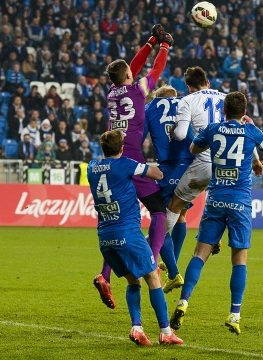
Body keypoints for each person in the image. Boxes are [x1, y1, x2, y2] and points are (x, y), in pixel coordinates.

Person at [169, 92, 263, 335]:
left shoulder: (214, 128)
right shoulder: (250, 130)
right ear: (244, 110)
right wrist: (252, 127)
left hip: (215, 199)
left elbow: (194, 147)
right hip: (240, 202)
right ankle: (234, 314)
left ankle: (183, 302)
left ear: (224, 111)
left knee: (199, 256)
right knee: (239, 260)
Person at [92, 24, 174, 309]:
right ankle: (151, 259)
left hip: (111, 159)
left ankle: (105, 275)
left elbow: (132, 68)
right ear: (128, 76)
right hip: (132, 161)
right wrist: (164, 47)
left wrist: (152, 41)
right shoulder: (139, 91)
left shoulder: (112, 92)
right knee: (158, 211)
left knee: (120, 222)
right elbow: (155, 72)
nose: (134, 71)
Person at [87, 130, 183, 346]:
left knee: (133, 280)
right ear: (122, 148)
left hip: (105, 236)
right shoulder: (126, 164)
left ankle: (137, 327)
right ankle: (166, 332)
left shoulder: (92, 168)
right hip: (128, 233)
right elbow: (157, 175)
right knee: (153, 278)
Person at [165, 66, 263, 239]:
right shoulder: (227, 99)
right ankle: (214, 240)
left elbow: (180, 135)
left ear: (188, 87)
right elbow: (243, 131)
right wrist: (256, 160)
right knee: (219, 205)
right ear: (208, 83)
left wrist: (174, 130)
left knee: (175, 206)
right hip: (229, 166)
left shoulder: (187, 100)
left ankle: (150, 246)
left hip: (204, 164)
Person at [143, 85, 191, 294]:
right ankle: (173, 263)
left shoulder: (151, 107)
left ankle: (173, 272)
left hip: (168, 169)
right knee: (180, 216)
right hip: (189, 168)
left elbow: (138, 137)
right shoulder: (186, 104)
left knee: (160, 218)